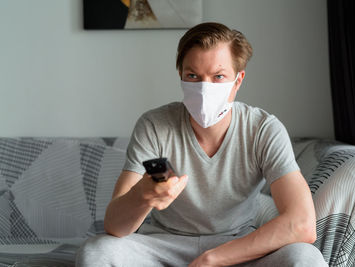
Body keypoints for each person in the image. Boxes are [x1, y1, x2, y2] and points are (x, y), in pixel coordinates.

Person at [76, 22, 327, 266]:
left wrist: (213, 258)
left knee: (306, 258)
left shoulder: (263, 129)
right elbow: (115, 227)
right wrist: (143, 196)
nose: (205, 89)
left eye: (218, 77)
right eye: (193, 76)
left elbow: (302, 223)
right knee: (96, 251)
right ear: (181, 76)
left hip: (238, 248)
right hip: (163, 246)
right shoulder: (154, 124)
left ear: (237, 81)